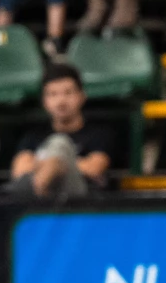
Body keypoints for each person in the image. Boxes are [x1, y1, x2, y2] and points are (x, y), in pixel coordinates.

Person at [8, 65, 117, 198]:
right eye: (53, 94)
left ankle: (39, 199)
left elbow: (94, 168)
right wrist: (60, 164)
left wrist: (55, 162)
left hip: (80, 200)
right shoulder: (34, 135)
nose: (61, 101)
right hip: (42, 196)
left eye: (68, 93)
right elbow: (20, 171)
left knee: (59, 143)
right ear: (44, 101)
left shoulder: (99, 133)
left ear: (82, 96)